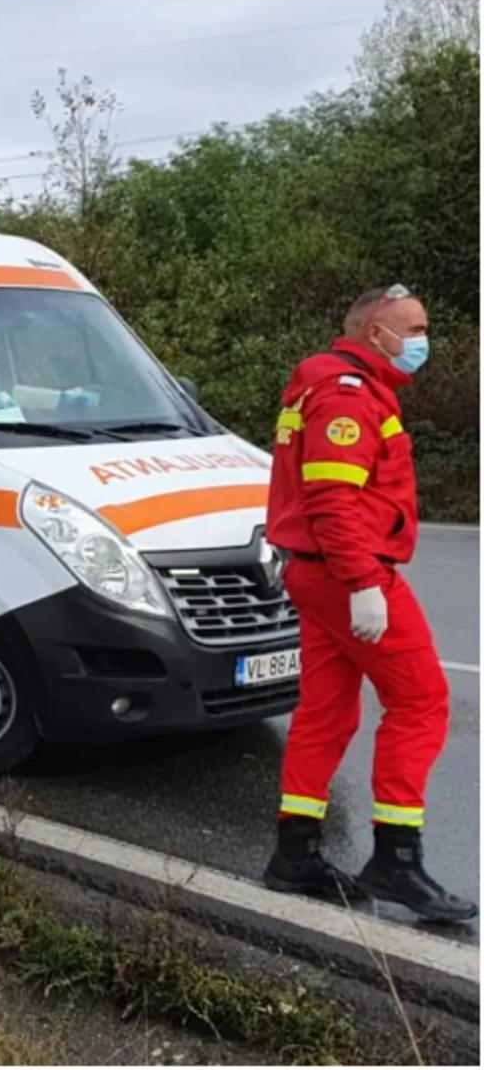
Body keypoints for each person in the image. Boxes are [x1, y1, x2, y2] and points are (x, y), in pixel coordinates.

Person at [260, 284, 473, 922]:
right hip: (346, 571)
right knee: (421, 702)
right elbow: (331, 500)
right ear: (376, 333)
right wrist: (363, 583)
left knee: (326, 711)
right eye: (415, 329)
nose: (423, 341)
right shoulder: (347, 394)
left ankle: (295, 853)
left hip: (317, 571)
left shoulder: (331, 385)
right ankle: (397, 860)